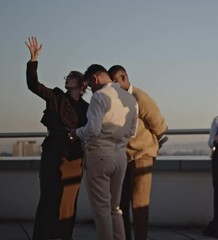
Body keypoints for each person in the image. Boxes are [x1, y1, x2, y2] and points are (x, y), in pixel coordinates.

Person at [25, 36, 89, 240]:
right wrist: (33, 60)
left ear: (81, 84)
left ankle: (64, 236)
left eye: (72, 76)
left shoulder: (88, 108)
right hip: (53, 152)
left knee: (69, 201)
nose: (67, 78)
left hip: (75, 157)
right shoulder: (56, 96)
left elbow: (93, 131)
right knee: (48, 198)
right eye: (67, 76)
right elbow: (33, 85)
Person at [69, 64, 138, 240]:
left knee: (101, 209)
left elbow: (92, 130)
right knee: (115, 208)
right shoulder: (130, 99)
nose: (91, 90)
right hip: (120, 157)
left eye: (91, 86)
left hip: (99, 155)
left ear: (95, 79)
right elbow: (132, 132)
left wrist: (76, 133)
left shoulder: (99, 96)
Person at [108, 65, 168, 240]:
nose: (112, 86)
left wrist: (148, 146)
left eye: (114, 81)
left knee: (140, 204)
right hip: (124, 158)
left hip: (143, 157)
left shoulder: (140, 97)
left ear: (124, 78)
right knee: (120, 204)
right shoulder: (117, 101)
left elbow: (159, 125)